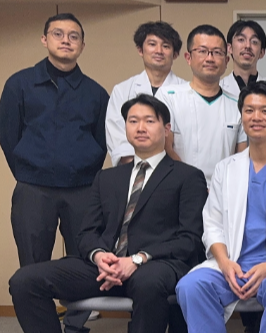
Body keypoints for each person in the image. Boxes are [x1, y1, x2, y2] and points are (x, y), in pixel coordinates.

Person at [9, 94, 208, 333]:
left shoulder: (187, 176)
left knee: (149, 283)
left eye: (149, 121)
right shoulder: (107, 177)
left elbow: (190, 239)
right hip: (105, 266)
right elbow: (87, 232)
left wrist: (137, 259)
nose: (140, 128)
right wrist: (99, 256)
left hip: (155, 264)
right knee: (24, 281)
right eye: (133, 121)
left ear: (166, 129)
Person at [0, 13, 109, 333]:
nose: (66, 40)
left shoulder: (96, 92)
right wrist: (28, 168)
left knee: (85, 260)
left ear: (82, 45)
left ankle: (76, 325)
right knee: (32, 263)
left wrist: (87, 171)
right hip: (34, 188)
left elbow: (103, 141)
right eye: (58, 34)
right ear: (44, 40)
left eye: (73, 36)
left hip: (84, 189)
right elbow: (8, 135)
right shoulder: (19, 84)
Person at [176, 81, 266, 333]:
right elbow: (212, 224)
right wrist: (225, 263)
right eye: (249, 110)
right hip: (233, 265)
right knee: (191, 285)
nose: (256, 117)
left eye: (265, 111)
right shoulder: (226, 168)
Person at [157, 24, 247, 182]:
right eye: (202, 51)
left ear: (226, 61)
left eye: (217, 53)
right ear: (188, 58)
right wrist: (192, 183)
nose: (210, 58)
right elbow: (165, 147)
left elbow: (241, 155)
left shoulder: (238, 104)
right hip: (180, 186)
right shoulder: (169, 96)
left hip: (224, 188)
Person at [106, 21, 187, 166]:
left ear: (175, 54)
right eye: (152, 44)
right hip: (134, 171)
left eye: (166, 46)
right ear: (140, 50)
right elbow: (117, 137)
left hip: (176, 171)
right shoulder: (122, 90)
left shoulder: (187, 91)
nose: (159, 51)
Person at [221, 20, 266, 95]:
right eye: (241, 40)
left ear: (262, 52)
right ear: (229, 48)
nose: (247, 46)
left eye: (254, 42)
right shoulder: (219, 88)